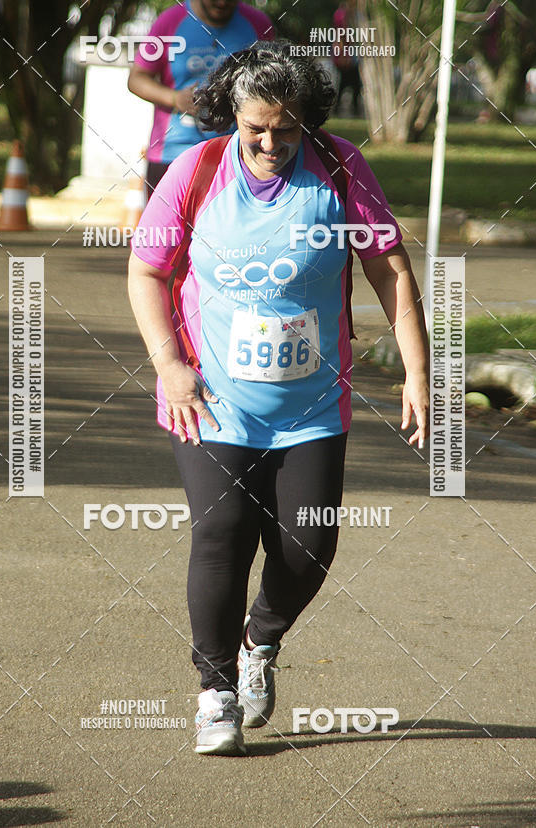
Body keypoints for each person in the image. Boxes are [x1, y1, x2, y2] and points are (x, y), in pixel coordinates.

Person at [127, 41, 429, 756]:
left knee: (309, 546)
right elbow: (146, 273)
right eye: (256, 127)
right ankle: (215, 695)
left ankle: (260, 640)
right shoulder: (196, 170)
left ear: (307, 122)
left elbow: (389, 269)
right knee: (222, 531)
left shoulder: (340, 168)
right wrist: (168, 364)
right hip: (212, 398)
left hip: (312, 406)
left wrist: (419, 372)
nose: (270, 143)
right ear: (234, 113)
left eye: (286, 129)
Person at [127, 0, 274, 198]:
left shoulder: (258, 25)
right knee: (167, 238)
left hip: (238, 155)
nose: (221, 2)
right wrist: (175, 99)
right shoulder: (170, 22)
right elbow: (136, 79)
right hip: (173, 153)